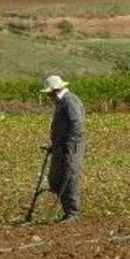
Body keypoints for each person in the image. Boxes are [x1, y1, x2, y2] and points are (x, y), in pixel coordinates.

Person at [42, 74, 85, 223]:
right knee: (56, 178)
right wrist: (55, 145)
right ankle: (67, 211)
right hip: (61, 146)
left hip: (71, 146)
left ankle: (72, 213)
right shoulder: (61, 102)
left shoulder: (69, 100)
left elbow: (76, 123)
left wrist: (70, 143)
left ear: (54, 90)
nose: (48, 96)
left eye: (49, 93)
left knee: (70, 176)